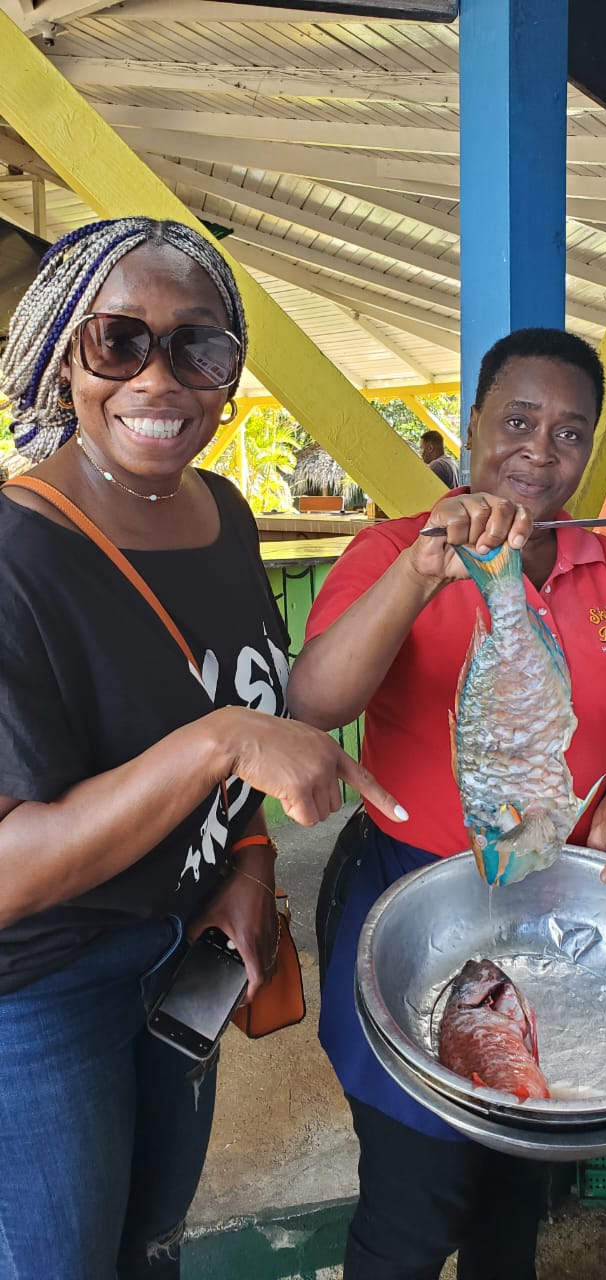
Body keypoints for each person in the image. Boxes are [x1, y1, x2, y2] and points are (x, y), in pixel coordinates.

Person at [0, 216, 405, 1280]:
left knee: (151, 1241)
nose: (161, 378)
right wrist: (219, 743)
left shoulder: (223, 513)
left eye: (200, 346)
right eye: (118, 341)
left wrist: (250, 861)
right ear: (57, 351)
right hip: (40, 987)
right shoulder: (16, 558)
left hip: (183, 947)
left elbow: (268, 702)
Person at [287, 327, 606, 1280]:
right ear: (471, 426)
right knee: (414, 1206)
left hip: (565, 913)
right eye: (517, 420)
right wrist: (420, 572)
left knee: (517, 1197)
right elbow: (316, 703)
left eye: (570, 433)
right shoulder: (395, 547)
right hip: (416, 899)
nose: (540, 452)